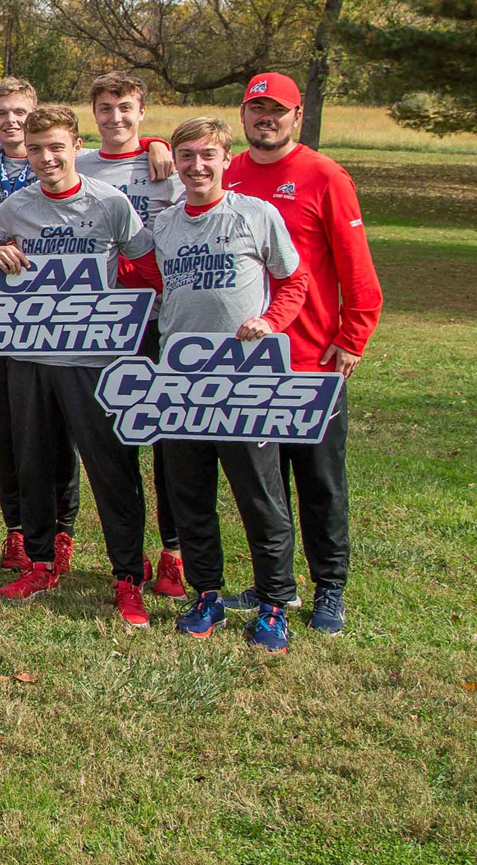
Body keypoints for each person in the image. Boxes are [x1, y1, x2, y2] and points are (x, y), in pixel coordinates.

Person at [0, 104, 161, 627]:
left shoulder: (110, 202)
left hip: (93, 358)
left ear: (76, 147)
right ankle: (42, 561)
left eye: (55, 147)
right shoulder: (17, 204)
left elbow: (145, 264)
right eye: (35, 148)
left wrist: (116, 298)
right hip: (29, 354)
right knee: (34, 462)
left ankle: (126, 578)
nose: (46, 158)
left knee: (110, 466)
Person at [219, 71, 382, 634]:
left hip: (312, 358)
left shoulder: (324, 175)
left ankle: (330, 588)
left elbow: (359, 272)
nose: (266, 118)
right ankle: (275, 586)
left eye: (277, 110)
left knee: (319, 482)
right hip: (248, 362)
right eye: (256, 109)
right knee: (262, 484)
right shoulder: (229, 171)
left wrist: (351, 338)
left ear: (296, 117)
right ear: (242, 116)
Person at [153, 116, 311, 653]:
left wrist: (271, 322)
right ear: (175, 162)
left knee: (260, 497)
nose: (197, 166)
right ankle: (207, 594)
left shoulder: (256, 214)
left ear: (226, 160)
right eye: (187, 156)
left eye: (207, 156)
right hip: (182, 382)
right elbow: (140, 277)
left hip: (245, 380)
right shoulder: (165, 224)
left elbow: (293, 280)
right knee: (190, 496)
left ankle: (273, 602)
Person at [77, 72, 186, 598]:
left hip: (164, 319)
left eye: (125, 108)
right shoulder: (77, 166)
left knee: (169, 442)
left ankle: (174, 551)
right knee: (112, 441)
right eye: (105, 108)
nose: (115, 118)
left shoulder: (170, 166)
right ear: (92, 114)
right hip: (102, 325)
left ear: (142, 111)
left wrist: (159, 146)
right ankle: (128, 553)